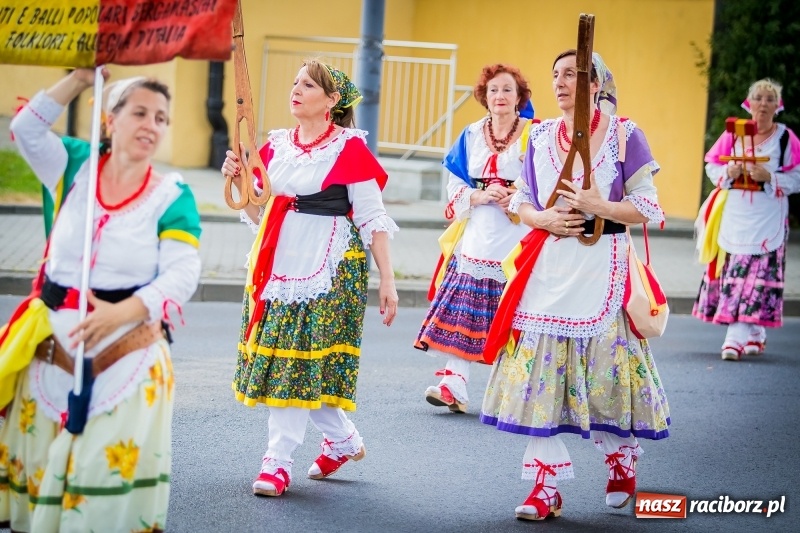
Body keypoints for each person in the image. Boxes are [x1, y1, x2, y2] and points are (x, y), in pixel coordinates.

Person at [1, 69, 202, 532]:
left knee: (96, 486)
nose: (151, 124)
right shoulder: (73, 165)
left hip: (126, 357)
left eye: (161, 118)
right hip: (50, 352)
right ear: (110, 119)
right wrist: (78, 79)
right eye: (140, 113)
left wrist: (121, 314)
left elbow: (182, 273)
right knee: (42, 485)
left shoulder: (172, 196)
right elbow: (27, 129)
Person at [479, 51, 670, 520]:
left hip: (603, 267)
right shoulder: (541, 134)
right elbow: (522, 199)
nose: (561, 82)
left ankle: (621, 456)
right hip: (548, 269)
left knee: (603, 375)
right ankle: (545, 486)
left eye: (572, 74)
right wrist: (542, 218)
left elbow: (649, 207)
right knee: (539, 376)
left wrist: (600, 206)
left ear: (596, 84)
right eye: (556, 75)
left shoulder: (624, 134)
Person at [221, 59, 399, 497]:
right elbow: (257, 214)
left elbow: (372, 219)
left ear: (332, 100)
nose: (296, 90)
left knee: (298, 361)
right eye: (295, 82)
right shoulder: (276, 146)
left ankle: (277, 462)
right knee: (294, 364)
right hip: (279, 260)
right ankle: (343, 440)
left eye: (308, 85)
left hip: (330, 266)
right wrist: (239, 181)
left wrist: (388, 280)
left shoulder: (349, 148)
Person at [414, 64, 533, 413]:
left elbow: (548, 180)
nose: (500, 96)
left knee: (517, 312)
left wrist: (518, 196)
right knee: (464, 310)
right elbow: (454, 184)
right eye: (493, 90)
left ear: (519, 97)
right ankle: (454, 384)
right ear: (484, 96)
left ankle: (516, 391)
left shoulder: (535, 134)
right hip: (478, 233)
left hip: (518, 232)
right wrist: (478, 196)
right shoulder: (470, 134)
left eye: (507, 89)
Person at [693, 78, 800, 360]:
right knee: (739, 274)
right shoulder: (734, 135)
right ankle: (754, 333)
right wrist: (727, 172)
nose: (763, 104)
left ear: (778, 106)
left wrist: (770, 177)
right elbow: (712, 165)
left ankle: (734, 339)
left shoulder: (786, 138)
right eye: (758, 98)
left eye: (769, 99)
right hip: (737, 216)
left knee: (758, 277)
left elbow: (797, 177)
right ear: (748, 103)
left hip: (769, 217)